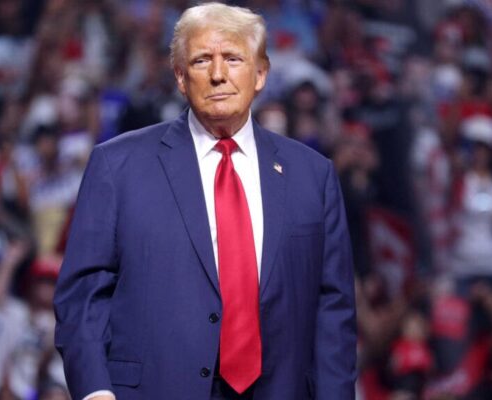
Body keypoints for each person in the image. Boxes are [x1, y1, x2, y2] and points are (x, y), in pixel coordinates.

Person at [53, 3, 357, 400]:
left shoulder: (313, 176)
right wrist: (95, 391)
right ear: (180, 77)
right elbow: (82, 295)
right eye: (201, 60)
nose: (218, 74)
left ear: (260, 73)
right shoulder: (118, 165)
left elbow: (333, 312)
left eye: (233, 59)